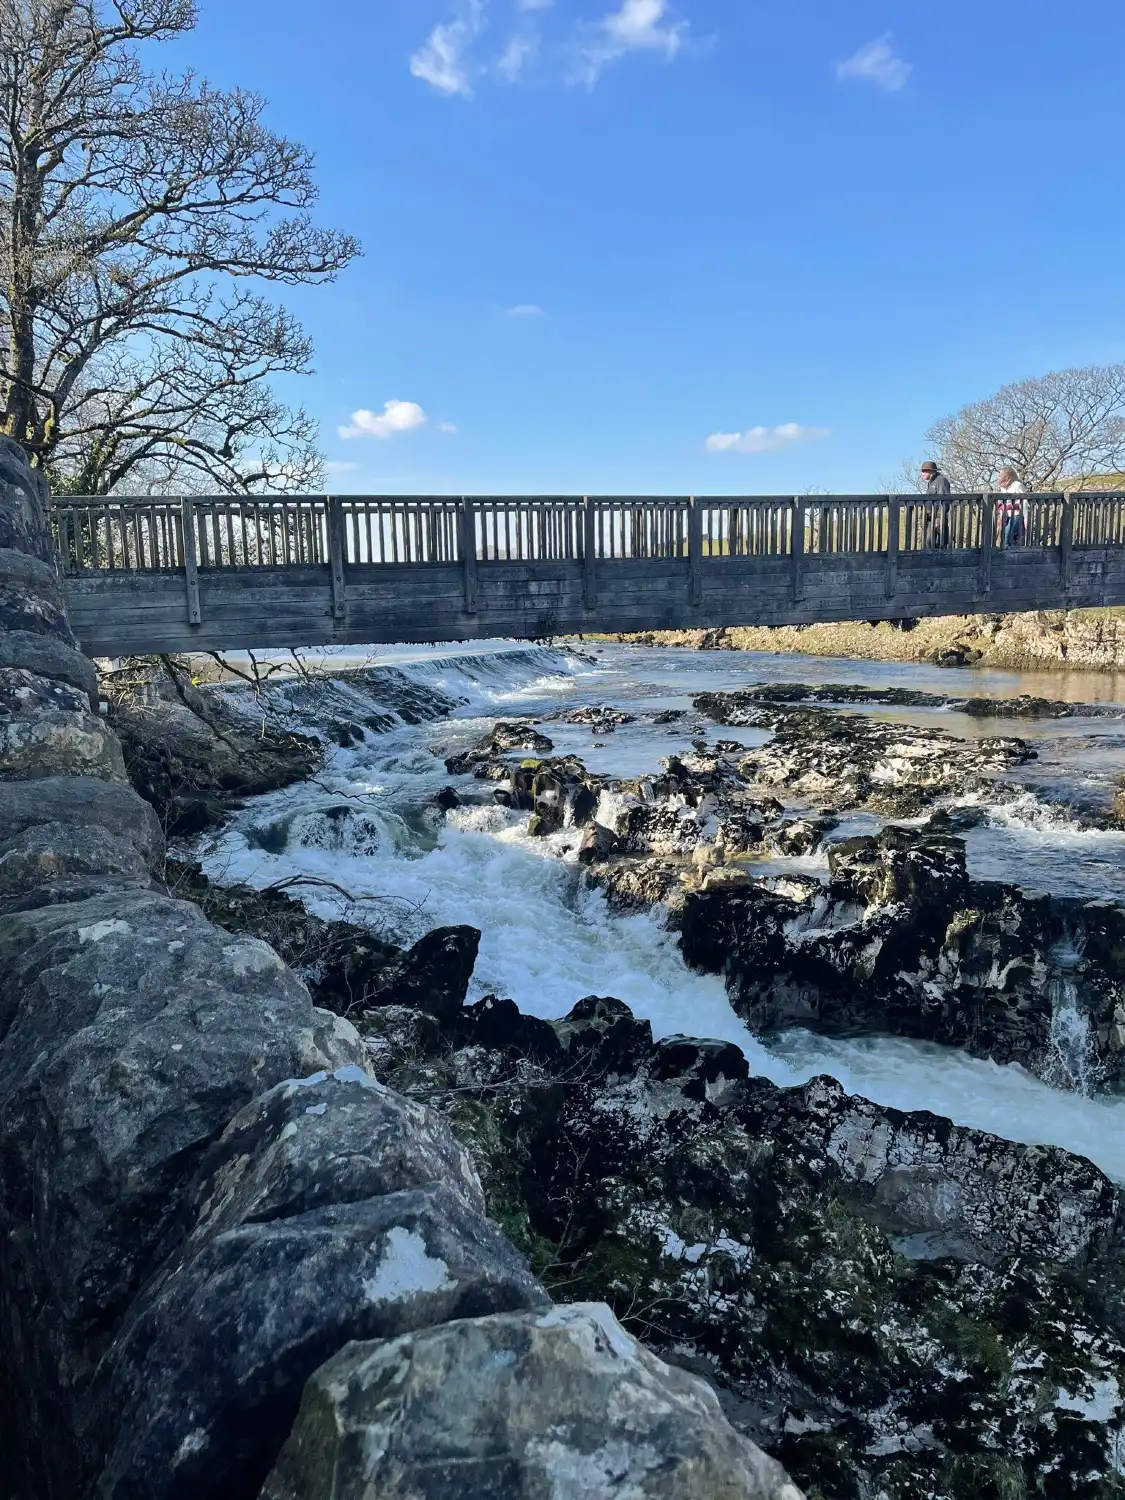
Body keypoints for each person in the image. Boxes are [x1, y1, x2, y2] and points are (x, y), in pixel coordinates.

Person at [920, 461, 951, 547]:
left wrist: (939, 518)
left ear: (929, 471)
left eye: (924, 472)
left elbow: (944, 501)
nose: (923, 474)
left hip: (937, 518)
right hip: (930, 519)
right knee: (929, 544)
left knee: (936, 544)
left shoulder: (941, 480)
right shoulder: (931, 483)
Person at [996, 467, 1025, 547]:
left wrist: (1026, 518)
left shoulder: (1017, 485)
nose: (999, 478)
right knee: (1006, 537)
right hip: (1006, 516)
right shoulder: (1004, 488)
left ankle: (1007, 556)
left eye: (1000, 475)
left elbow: (1024, 501)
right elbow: (1000, 502)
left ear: (1007, 476)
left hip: (1016, 515)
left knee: (1007, 539)